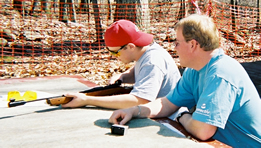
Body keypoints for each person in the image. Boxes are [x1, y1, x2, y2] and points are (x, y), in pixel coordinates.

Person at [109, 14, 261, 147]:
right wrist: (134, 111)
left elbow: (203, 130)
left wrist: (182, 116)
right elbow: (167, 103)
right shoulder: (194, 70)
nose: (174, 48)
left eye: (177, 43)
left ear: (193, 45)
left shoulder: (221, 74)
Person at [62, 19, 181, 109]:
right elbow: (138, 72)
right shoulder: (146, 53)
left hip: (170, 121)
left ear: (130, 47)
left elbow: (140, 100)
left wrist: (87, 100)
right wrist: (123, 77)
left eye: (115, 53)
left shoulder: (152, 61)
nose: (114, 56)